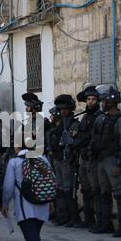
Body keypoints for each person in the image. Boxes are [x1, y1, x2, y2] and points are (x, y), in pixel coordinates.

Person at [1, 140, 50, 241]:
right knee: (34, 238)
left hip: (25, 207)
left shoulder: (14, 162)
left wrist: (4, 204)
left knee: (32, 240)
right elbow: (51, 181)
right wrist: (51, 201)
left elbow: (8, 187)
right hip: (42, 205)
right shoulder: (43, 158)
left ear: (17, 145)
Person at [90, 85, 121, 237]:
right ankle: (106, 223)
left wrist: (118, 164)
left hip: (113, 160)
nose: (102, 103)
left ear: (112, 101)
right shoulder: (102, 118)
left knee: (119, 193)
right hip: (101, 159)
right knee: (104, 192)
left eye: (104, 100)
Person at [72, 84, 103, 229]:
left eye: (93, 99)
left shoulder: (100, 117)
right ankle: (88, 218)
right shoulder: (85, 117)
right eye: (88, 99)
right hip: (83, 157)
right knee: (85, 188)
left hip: (93, 158)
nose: (90, 102)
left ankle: (99, 221)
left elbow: (94, 138)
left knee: (95, 189)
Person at [51, 95, 81, 228]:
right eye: (61, 109)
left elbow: (74, 142)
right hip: (58, 159)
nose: (63, 111)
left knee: (69, 190)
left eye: (66, 109)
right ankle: (63, 215)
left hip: (68, 160)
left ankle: (73, 217)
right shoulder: (58, 124)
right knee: (60, 189)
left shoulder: (74, 124)